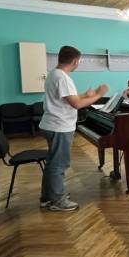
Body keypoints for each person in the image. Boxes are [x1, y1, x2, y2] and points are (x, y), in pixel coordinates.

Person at [39, 46, 108, 211]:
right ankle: (57, 200)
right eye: (79, 61)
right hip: (59, 126)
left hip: (52, 124)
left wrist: (86, 94)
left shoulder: (54, 74)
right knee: (59, 165)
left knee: (52, 163)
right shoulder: (62, 77)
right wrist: (99, 94)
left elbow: (67, 98)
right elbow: (76, 104)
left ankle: (48, 197)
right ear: (75, 61)